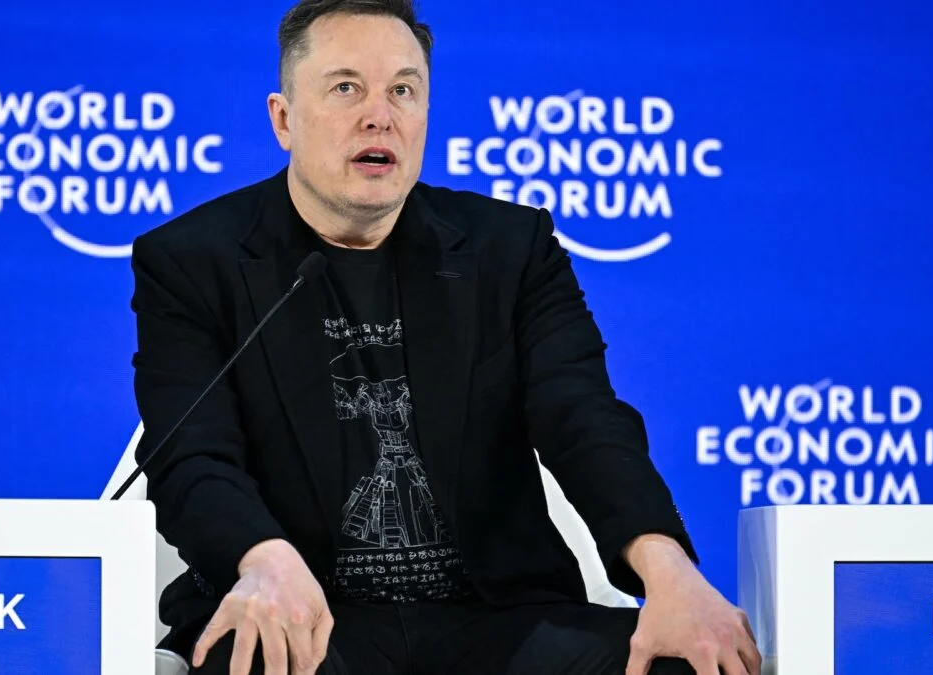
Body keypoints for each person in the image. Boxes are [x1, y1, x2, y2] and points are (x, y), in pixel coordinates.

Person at [130, 1, 760, 673]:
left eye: (403, 90)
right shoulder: (194, 262)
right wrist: (262, 558)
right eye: (346, 88)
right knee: (259, 657)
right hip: (308, 612)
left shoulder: (510, 250)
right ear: (284, 119)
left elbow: (582, 418)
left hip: (498, 619)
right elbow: (192, 456)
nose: (380, 115)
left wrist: (668, 570)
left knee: (683, 662)